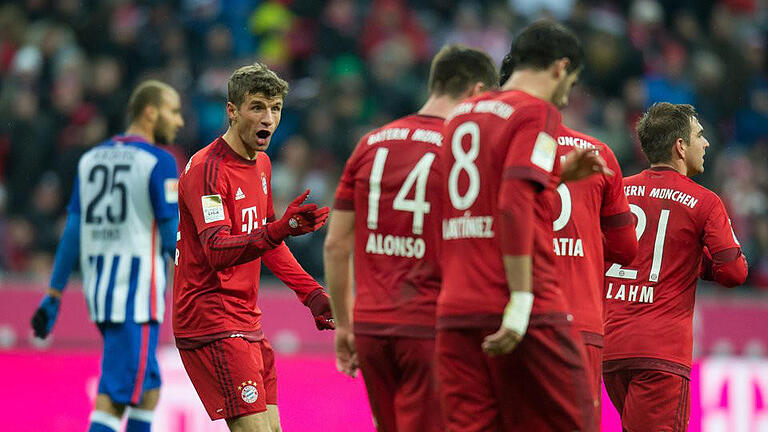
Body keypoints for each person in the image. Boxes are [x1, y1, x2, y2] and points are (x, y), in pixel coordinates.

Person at [436, 19, 610, 431]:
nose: (567, 95)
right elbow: (513, 205)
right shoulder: (536, 112)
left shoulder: (461, 115)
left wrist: (555, 174)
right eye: (572, 81)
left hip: (458, 308)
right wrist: (519, 300)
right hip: (526, 311)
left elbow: (481, 195)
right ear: (560, 68)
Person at [324, 44, 498, 432]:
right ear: (477, 92)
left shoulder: (369, 144)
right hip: (429, 325)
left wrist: (345, 325)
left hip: (369, 326)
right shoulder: (464, 152)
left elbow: (336, 245)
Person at [172, 62, 334, 432]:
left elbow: (267, 242)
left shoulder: (261, 163)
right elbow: (216, 249)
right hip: (210, 319)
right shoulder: (207, 169)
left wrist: (311, 294)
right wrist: (278, 229)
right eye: (257, 107)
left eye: (275, 108)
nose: (268, 118)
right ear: (232, 111)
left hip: (246, 320)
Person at [31, 80, 184, 432]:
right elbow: (169, 236)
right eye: (173, 111)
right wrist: (202, 282)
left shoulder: (91, 159)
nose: (178, 121)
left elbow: (73, 231)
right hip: (136, 297)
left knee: (149, 389)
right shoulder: (159, 162)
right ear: (150, 111)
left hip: (101, 293)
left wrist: (53, 295)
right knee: (115, 397)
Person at [603, 102, 748, 432]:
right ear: (680, 146)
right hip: (661, 354)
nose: (706, 143)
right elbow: (734, 273)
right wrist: (699, 263)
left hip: (611, 350)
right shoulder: (705, 201)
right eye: (699, 135)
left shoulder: (618, 191)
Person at [552, 124, 638, 418]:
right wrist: (587, 238)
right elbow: (626, 249)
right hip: (580, 318)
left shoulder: (497, 145)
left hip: (512, 314)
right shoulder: (597, 152)